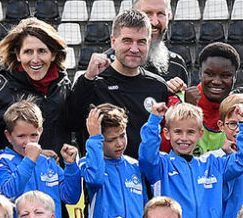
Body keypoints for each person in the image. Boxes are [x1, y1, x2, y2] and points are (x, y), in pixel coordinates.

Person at [139, 100, 243, 218]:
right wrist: (154, 121)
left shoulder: (213, 164)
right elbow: (147, 155)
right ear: (166, 133)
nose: (184, 138)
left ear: (200, 134)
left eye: (190, 132)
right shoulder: (161, 165)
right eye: (178, 132)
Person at [66, 10, 171, 156]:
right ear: (113, 41)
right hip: (102, 170)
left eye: (141, 42)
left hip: (146, 170)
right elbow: (71, 123)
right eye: (127, 41)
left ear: (148, 42)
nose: (134, 49)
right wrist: (88, 78)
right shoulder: (94, 83)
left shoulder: (158, 86)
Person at [0, 100, 80, 218]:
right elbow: (7, 194)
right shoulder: (3, 160)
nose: (28, 142)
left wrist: (71, 166)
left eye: (33, 135)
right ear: (8, 136)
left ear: (41, 132)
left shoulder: (49, 163)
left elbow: (71, 198)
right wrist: (29, 160)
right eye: (21, 136)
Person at [0, 18, 73, 149]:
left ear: (53, 54)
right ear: (18, 55)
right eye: (28, 52)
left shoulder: (63, 85)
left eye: (42, 51)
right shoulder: (1, 90)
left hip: (57, 163)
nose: (35, 59)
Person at [168, 43, 241, 155]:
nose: (216, 81)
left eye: (225, 75)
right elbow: (162, 153)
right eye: (209, 74)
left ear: (235, 77)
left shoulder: (240, 112)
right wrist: (187, 110)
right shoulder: (176, 101)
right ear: (200, 73)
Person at [128, 0, 189, 83]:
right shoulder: (111, 64)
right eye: (147, 13)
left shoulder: (177, 65)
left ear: (168, 17)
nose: (155, 22)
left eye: (161, 14)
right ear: (133, 15)